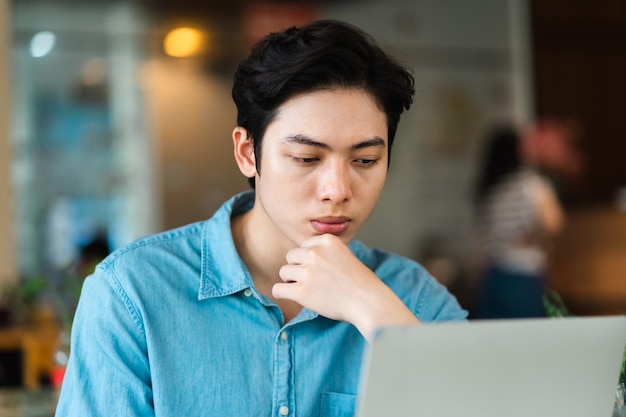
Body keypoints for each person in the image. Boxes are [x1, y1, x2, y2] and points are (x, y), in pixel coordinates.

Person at [55, 20, 468, 416]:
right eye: (307, 158)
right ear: (248, 153)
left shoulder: (412, 299)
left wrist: (375, 313)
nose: (337, 189)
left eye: (365, 160)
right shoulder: (133, 294)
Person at [472, 119, 582, 319]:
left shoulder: (489, 189)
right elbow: (555, 223)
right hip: (523, 279)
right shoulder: (529, 184)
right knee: (529, 343)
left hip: (492, 278)